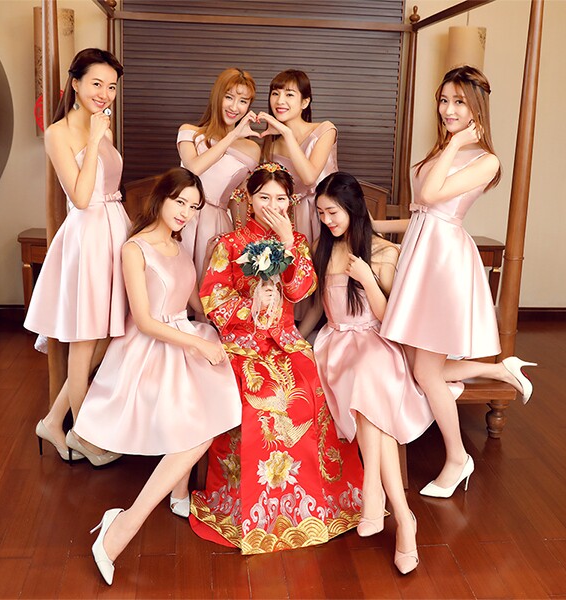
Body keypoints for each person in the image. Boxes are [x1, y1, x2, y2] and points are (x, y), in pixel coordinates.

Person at [189, 162, 364, 555]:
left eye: (280, 198)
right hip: (242, 342)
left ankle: (315, 503)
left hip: (285, 339)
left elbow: (302, 291)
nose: (272, 205)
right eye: (264, 197)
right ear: (248, 200)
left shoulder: (297, 241)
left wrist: (287, 241)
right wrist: (250, 306)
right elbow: (212, 298)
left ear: (290, 202)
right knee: (260, 404)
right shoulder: (229, 242)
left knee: (311, 390)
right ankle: (252, 509)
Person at [379, 66, 536, 497]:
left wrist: (457, 143)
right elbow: (421, 211)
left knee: (425, 371)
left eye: (459, 102)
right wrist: (372, 225)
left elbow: (433, 197)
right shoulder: (442, 150)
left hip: (444, 263)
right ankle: (498, 368)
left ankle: (457, 458)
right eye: (444, 101)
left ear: (477, 108)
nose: (448, 110)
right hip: (422, 252)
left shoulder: (486, 160)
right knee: (418, 364)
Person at [86, 167, 242, 585]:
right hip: (150, 348)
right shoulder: (135, 249)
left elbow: (196, 303)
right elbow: (144, 320)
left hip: (186, 338)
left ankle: (177, 491)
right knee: (197, 428)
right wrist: (199, 345)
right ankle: (123, 525)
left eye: (194, 206)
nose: (186, 212)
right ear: (161, 197)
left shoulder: (179, 245)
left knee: (211, 413)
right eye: (180, 202)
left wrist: (232, 324)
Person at [300, 172, 455, 574]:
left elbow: (392, 320)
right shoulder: (321, 248)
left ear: (353, 208)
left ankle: (380, 500)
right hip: (335, 344)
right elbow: (318, 307)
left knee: (368, 374)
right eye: (321, 213)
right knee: (367, 387)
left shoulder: (385, 253)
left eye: (333, 212)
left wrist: (368, 279)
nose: (327, 220)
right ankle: (402, 517)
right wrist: (297, 340)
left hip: (376, 340)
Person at [25, 48, 130, 466]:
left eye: (111, 87)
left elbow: (110, 186)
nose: (104, 94)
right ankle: (83, 434)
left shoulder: (102, 125)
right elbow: (82, 198)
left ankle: (54, 421)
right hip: (88, 239)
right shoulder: (58, 133)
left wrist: (100, 133)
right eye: (96, 84)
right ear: (75, 83)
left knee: (109, 335)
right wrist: (93, 138)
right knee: (85, 343)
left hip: (115, 231)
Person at [177, 68, 261, 282]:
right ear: (217, 96)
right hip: (184, 216)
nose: (234, 107)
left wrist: (245, 241)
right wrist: (233, 136)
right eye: (229, 97)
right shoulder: (190, 133)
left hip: (218, 222)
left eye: (243, 101)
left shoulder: (252, 149)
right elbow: (193, 170)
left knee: (212, 287)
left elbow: (240, 199)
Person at [259, 69, 337, 246]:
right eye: (275, 93)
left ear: (305, 102)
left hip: (326, 214)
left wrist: (286, 133)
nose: (280, 101)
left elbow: (309, 178)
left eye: (289, 94)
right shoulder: (271, 144)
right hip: (290, 219)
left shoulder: (324, 130)